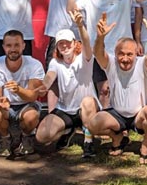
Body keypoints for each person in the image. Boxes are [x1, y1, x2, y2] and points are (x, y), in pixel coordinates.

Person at [69, 0, 147, 101]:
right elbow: (70, 9)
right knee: (104, 91)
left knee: (126, 92)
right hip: (100, 52)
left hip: (122, 53)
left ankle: (126, 122)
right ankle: (105, 121)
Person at [87, 12, 147, 165]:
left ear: (136, 54)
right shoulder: (111, 64)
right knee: (93, 124)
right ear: (115, 54)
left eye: (129, 54)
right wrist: (100, 37)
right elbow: (98, 53)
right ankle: (118, 138)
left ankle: (145, 146)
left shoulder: (143, 64)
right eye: (121, 54)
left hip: (139, 115)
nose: (125, 58)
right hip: (117, 115)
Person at [36, 9, 100, 158]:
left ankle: (89, 142)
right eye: (60, 44)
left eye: (67, 43)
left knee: (88, 102)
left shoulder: (84, 58)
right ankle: (67, 130)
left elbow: (87, 42)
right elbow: (50, 76)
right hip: (65, 109)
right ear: (57, 47)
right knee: (41, 136)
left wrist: (80, 26)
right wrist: (44, 87)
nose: (65, 46)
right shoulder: (55, 62)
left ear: (74, 43)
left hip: (85, 108)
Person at [0, 30, 46, 157]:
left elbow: (33, 96)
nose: (13, 49)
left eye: (16, 45)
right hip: (7, 108)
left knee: (32, 116)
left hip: (26, 105)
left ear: (24, 46)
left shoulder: (34, 64)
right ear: (3, 47)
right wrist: (1, 102)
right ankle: (5, 138)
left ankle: (26, 136)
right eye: (9, 46)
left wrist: (18, 90)